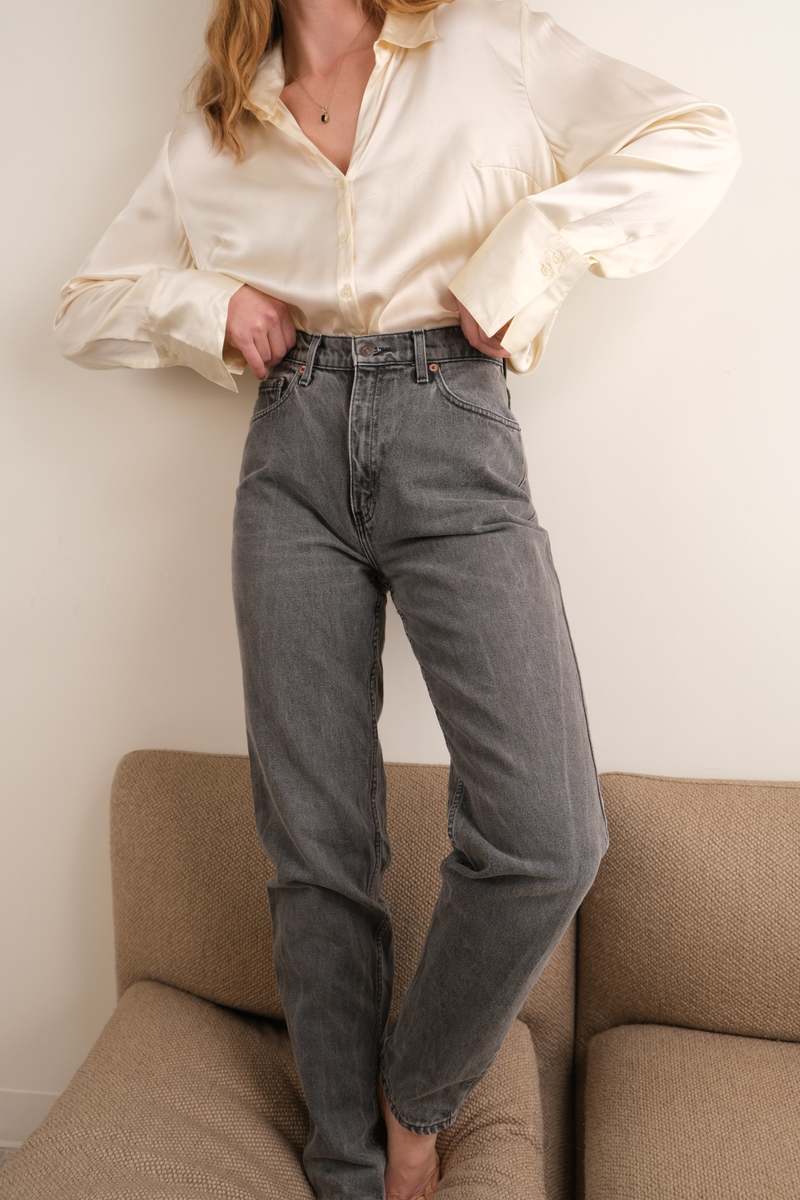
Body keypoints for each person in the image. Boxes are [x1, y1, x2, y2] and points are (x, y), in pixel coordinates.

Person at [52, 1, 741, 1197]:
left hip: (452, 423)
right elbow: (83, 304)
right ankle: (346, 1166)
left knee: (546, 834)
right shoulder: (219, 120)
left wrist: (524, 253)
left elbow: (694, 137)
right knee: (314, 847)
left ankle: (412, 1098)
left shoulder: (486, 43)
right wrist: (209, 307)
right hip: (289, 455)